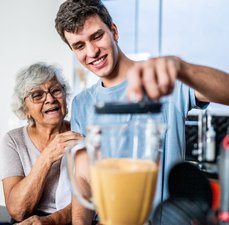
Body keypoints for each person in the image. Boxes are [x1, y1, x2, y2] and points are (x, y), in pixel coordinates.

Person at [55, 0, 228, 224]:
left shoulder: (162, 79)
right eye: (79, 46)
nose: (92, 51)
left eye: (97, 36)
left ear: (114, 31)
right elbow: (83, 182)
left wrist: (183, 69)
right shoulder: (82, 103)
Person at [0, 63, 83, 225]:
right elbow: (17, 210)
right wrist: (47, 157)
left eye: (56, 90)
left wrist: (53, 220)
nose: (50, 99)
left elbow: (92, 197)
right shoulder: (13, 140)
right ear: (25, 109)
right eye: (37, 95)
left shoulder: (80, 134)